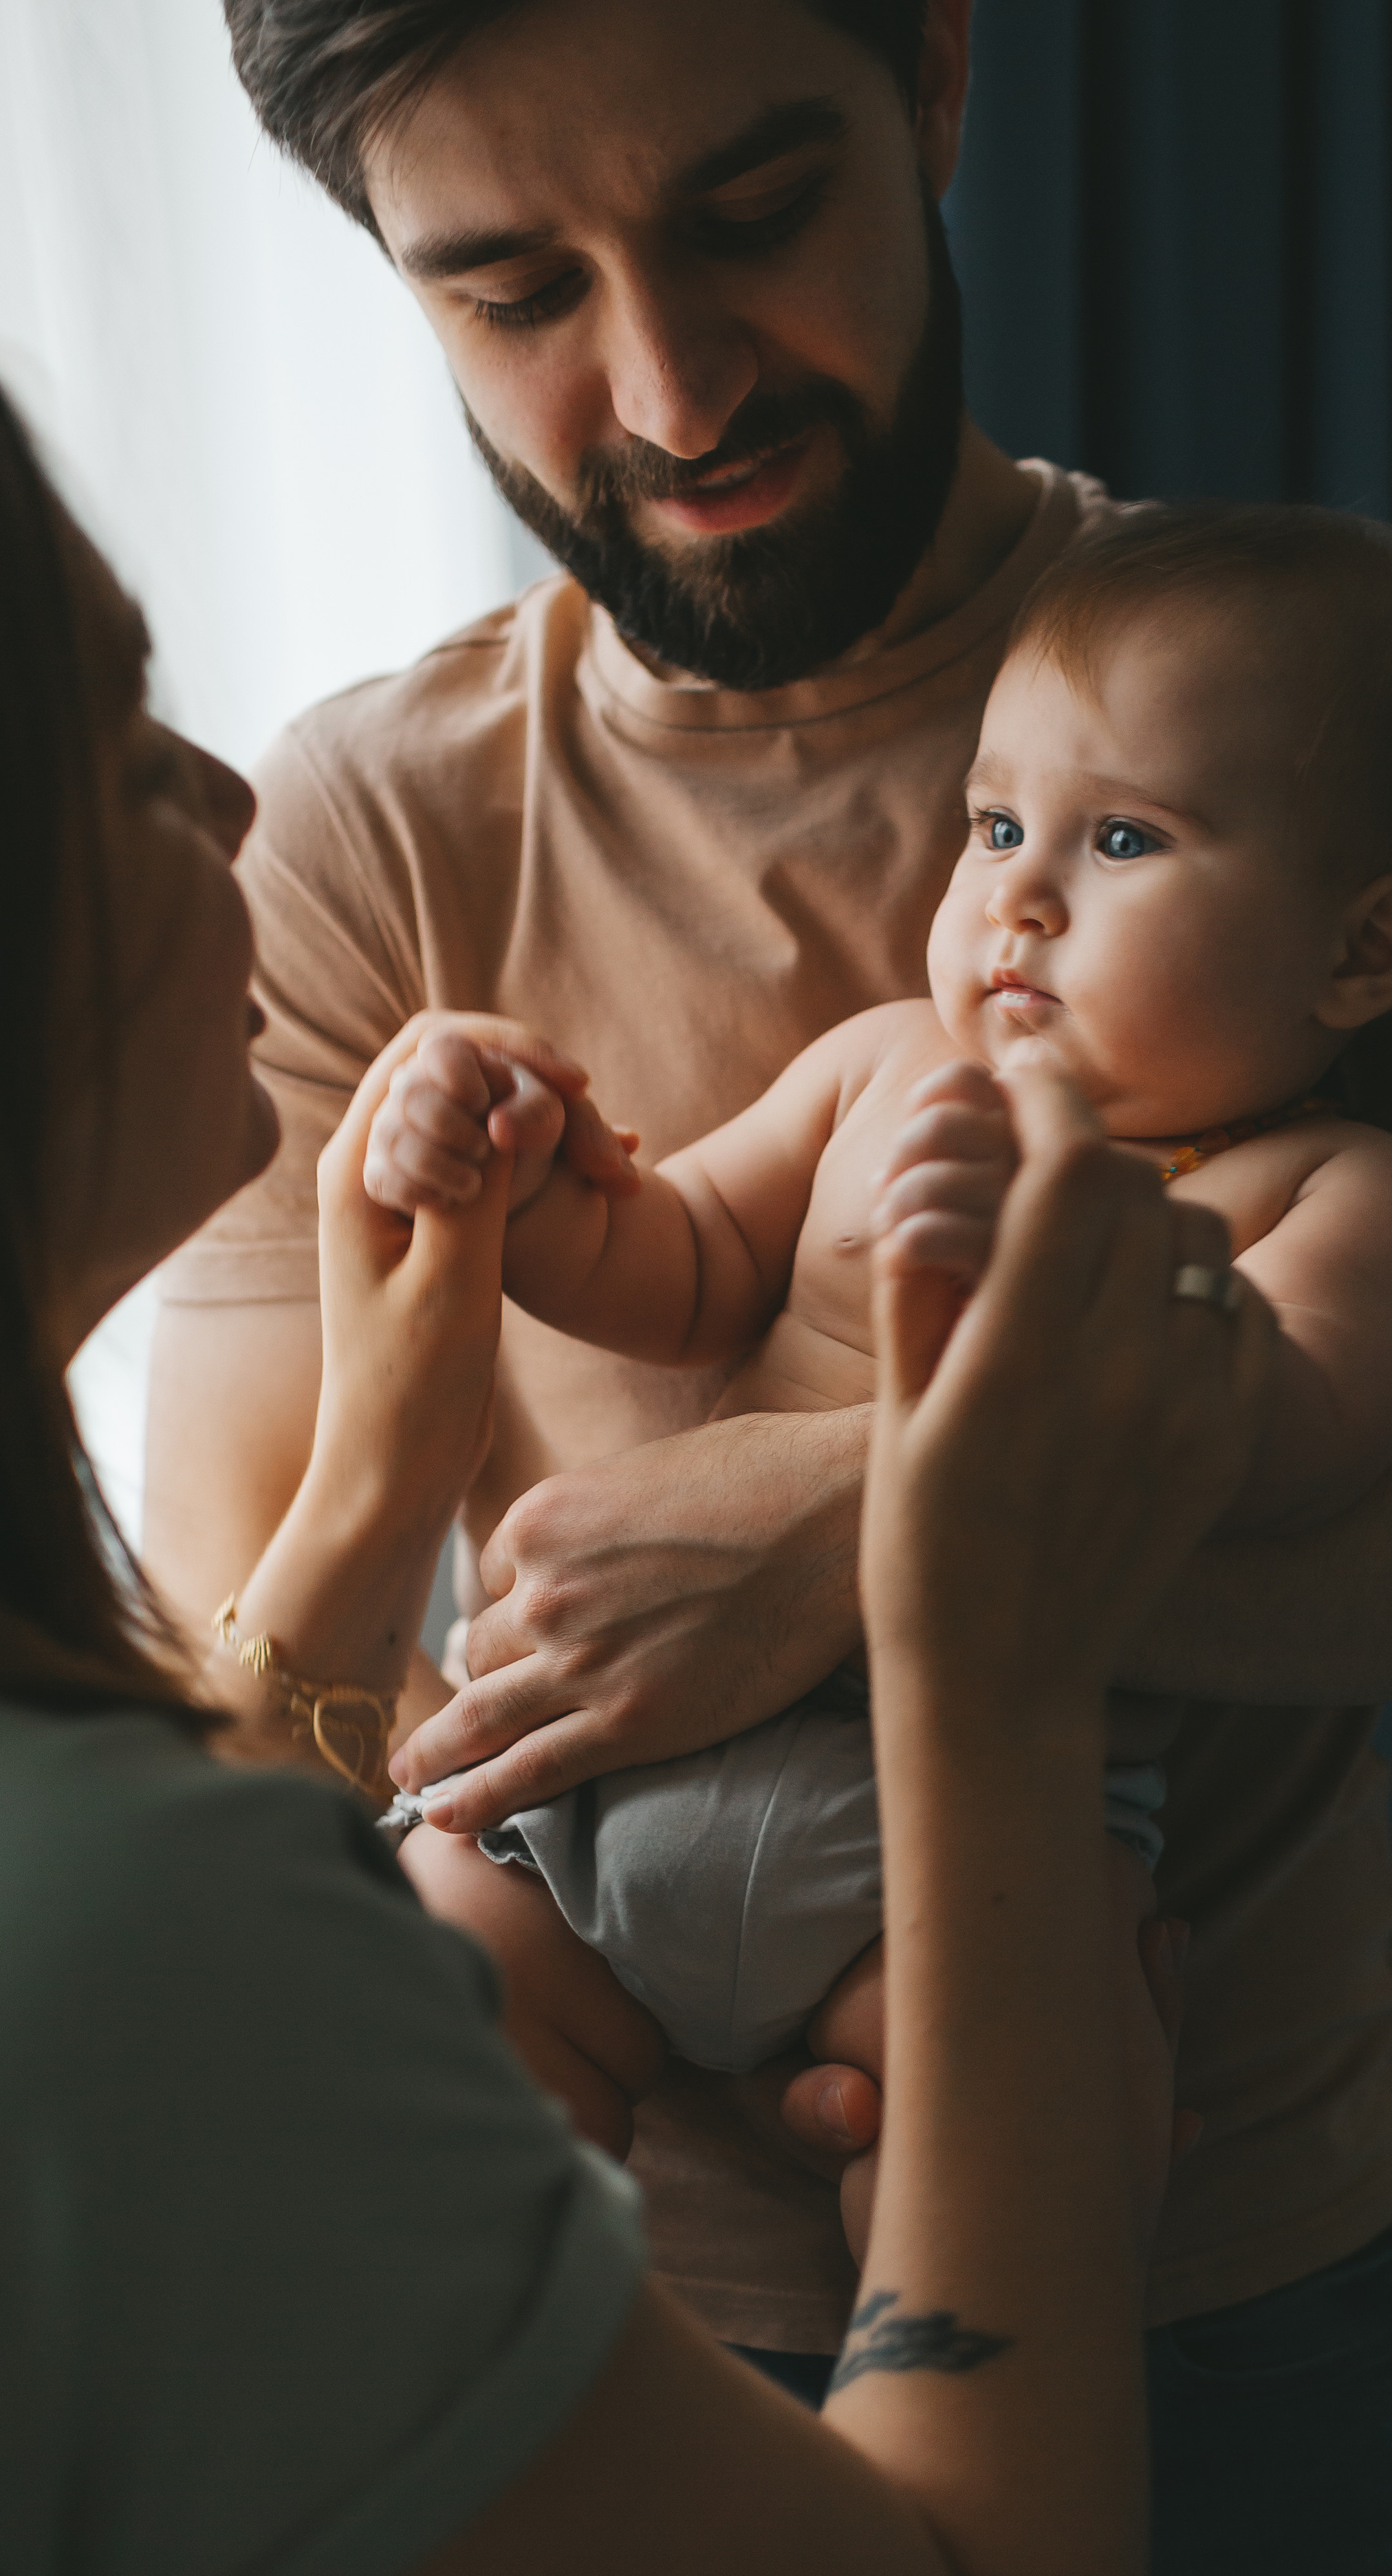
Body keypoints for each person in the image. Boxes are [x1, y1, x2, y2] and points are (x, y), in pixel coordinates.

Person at [146, 0, 1392, 2564]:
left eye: (752, 209)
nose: (670, 394)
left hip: (1216, 2283)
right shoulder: (358, 836)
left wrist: (854, 1562)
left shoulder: (1343, 712)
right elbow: (275, 1680)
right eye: (515, 290)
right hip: (582, 2306)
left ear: (940, 73)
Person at [0, 380, 1265, 2573]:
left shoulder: (134, 1878)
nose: (229, 795)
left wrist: (384, 1482)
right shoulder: (140, 1939)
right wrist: (975, 1664)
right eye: (123, 753)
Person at [364, 502, 1392, 2260]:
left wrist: (1098, 1287)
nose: (1017, 896)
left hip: (963, 1830)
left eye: (1119, 838)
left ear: (1357, 953)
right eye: (994, 824)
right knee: (431, 2012)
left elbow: (1299, 1442)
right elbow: (677, 1268)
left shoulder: (1333, 1194)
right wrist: (526, 1174)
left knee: (1050, 2148)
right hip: (608, 1781)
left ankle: (969, 2443)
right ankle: (527, 2397)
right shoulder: (884, 1063)